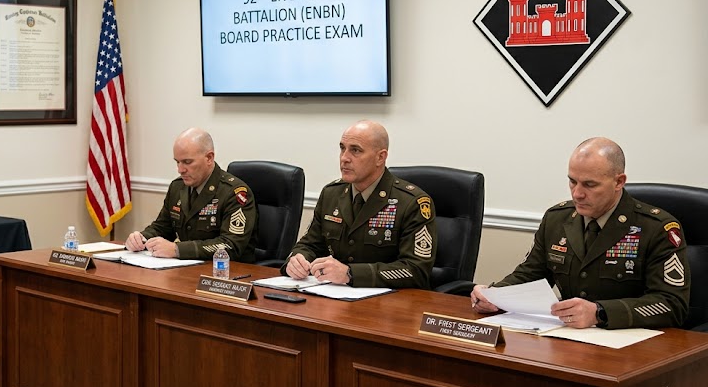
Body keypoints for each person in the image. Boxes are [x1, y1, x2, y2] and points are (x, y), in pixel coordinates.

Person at [471, 138, 690, 329]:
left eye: (589, 185)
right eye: (572, 181)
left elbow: (672, 304)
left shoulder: (656, 227)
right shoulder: (557, 219)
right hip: (567, 337)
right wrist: (493, 295)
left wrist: (599, 313)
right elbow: (529, 274)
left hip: (631, 344)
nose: (577, 194)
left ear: (619, 182)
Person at [282, 120, 436, 288]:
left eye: (355, 150)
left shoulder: (411, 202)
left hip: (389, 299)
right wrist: (297, 260)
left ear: (380, 157)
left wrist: (350, 274)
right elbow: (310, 245)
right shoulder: (331, 193)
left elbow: (416, 270)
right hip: (334, 294)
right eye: (342, 148)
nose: (344, 158)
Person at [125, 128, 258, 261]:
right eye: (177, 162)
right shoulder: (177, 187)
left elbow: (230, 245)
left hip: (228, 270)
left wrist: (177, 250)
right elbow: (163, 227)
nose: (180, 170)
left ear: (209, 158)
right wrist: (141, 238)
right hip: (188, 267)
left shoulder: (234, 192)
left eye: (187, 162)